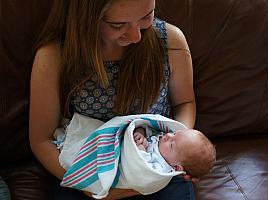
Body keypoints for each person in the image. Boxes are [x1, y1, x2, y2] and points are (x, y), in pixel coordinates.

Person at [29, 0, 196, 199]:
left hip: (156, 161)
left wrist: (180, 147)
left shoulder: (170, 41)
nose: (136, 36)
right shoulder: (55, 55)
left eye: (146, 17)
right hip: (88, 168)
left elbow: (184, 103)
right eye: (118, 25)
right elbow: (42, 140)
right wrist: (89, 185)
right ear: (86, 18)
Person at [133, 128, 216, 177]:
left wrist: (141, 151)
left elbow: (145, 170)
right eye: (174, 133)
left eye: (171, 144)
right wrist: (141, 133)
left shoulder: (161, 168)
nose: (168, 135)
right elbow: (149, 129)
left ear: (177, 168)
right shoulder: (163, 140)